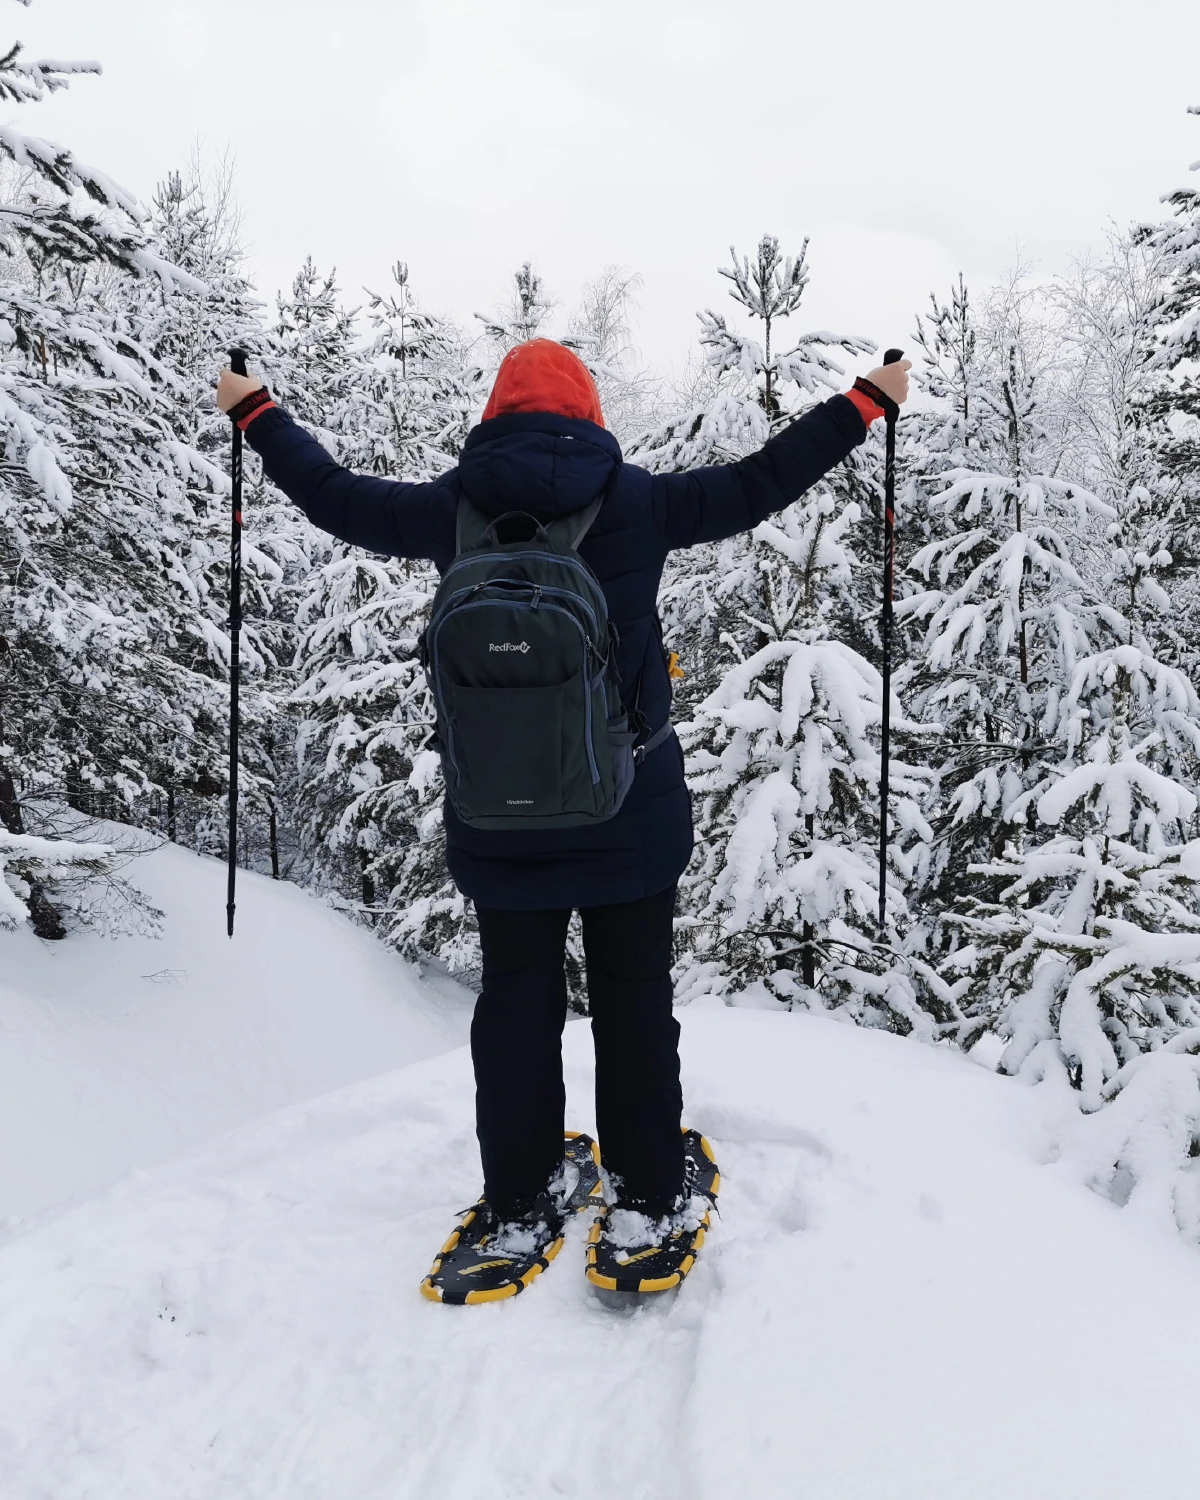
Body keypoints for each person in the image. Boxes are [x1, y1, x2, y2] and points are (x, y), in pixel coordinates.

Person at [217, 339, 910, 1303]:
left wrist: (255, 411)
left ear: (496, 415)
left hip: (497, 818)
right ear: (588, 413)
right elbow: (765, 480)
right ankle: (648, 1196)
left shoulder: (448, 510)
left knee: (515, 1002)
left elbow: (329, 493)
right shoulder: (640, 502)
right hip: (630, 808)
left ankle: (521, 1194)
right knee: (633, 1000)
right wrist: (866, 402)